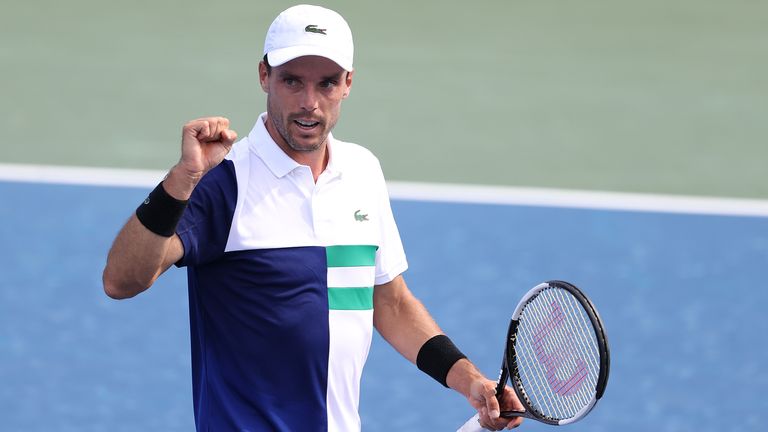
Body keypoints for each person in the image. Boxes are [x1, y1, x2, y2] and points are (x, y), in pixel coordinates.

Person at [102, 4, 523, 431]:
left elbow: (389, 301)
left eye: (326, 83)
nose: (309, 104)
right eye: (292, 81)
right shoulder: (223, 180)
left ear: (348, 84)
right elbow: (121, 280)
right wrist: (182, 178)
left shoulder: (362, 171)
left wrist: (468, 379)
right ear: (264, 75)